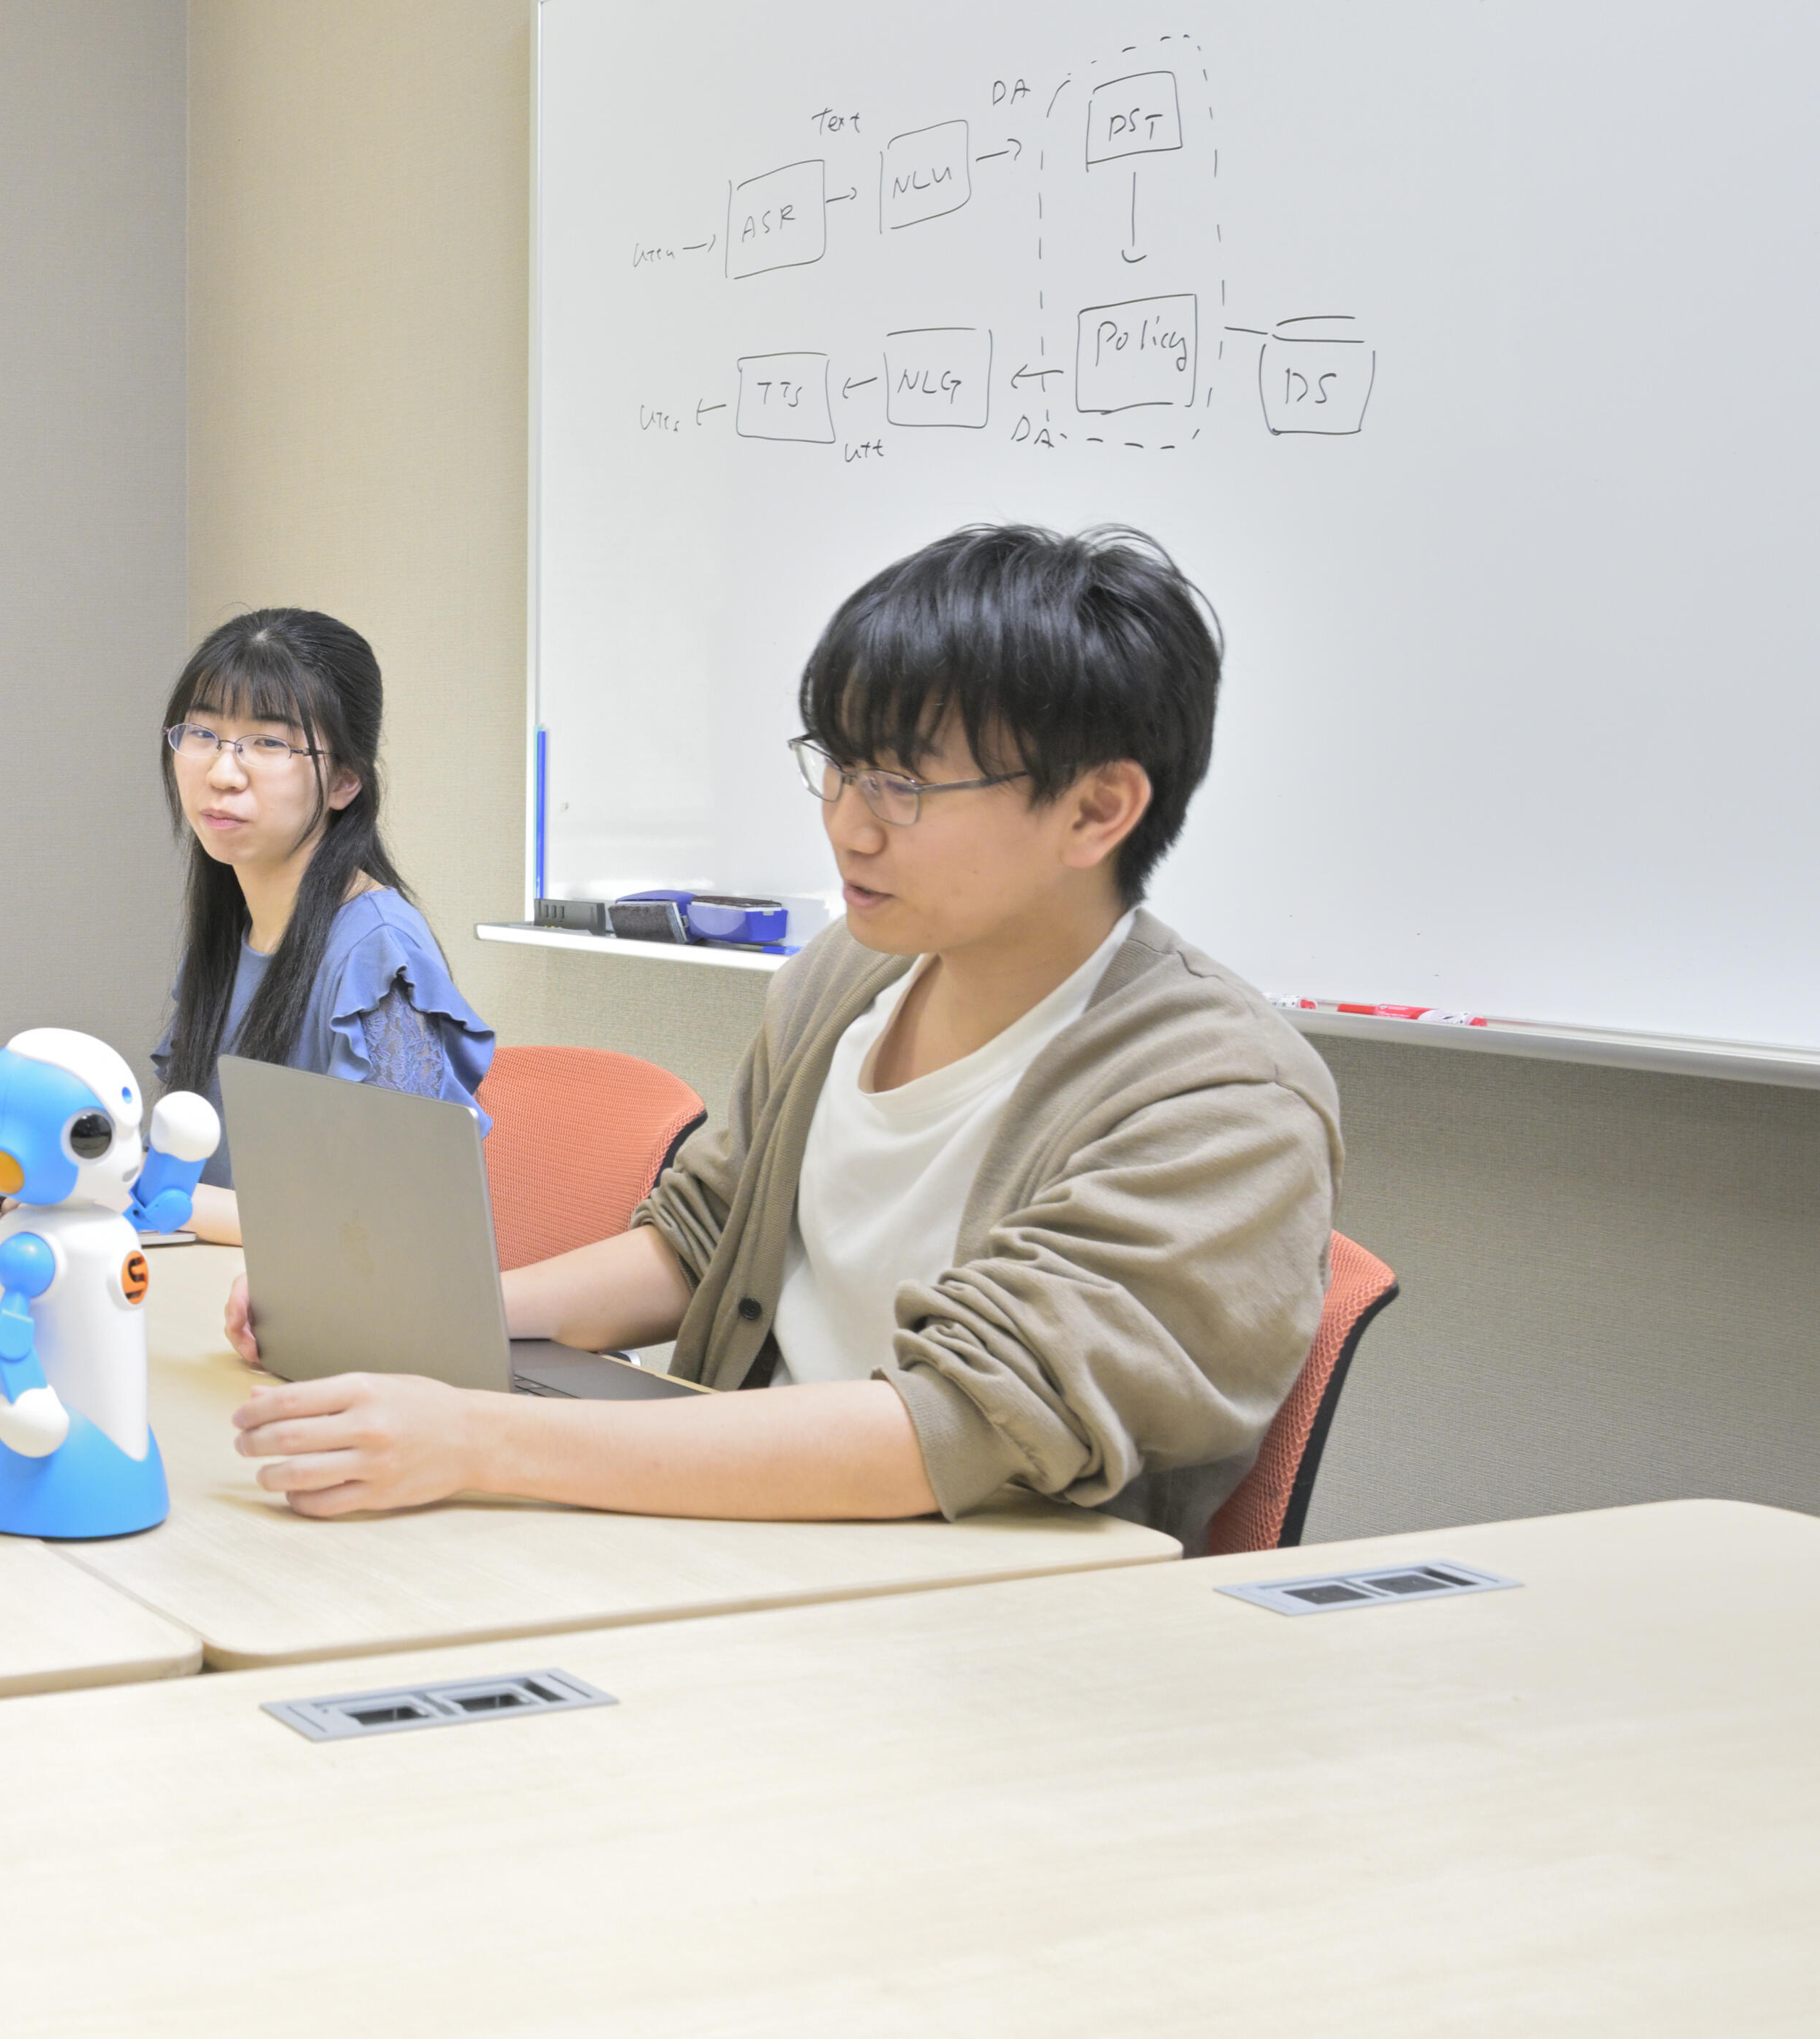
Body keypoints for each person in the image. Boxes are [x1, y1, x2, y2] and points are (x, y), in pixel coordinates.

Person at [227, 524, 1334, 1551]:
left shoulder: (1222, 1099)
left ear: (1097, 811)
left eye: (903, 783)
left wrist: (472, 1436)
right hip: (742, 1529)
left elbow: (948, 1427)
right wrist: (422, 1320)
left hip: (967, 1603)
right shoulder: (846, 976)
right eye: (840, 765)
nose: (847, 822)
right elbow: (700, 1241)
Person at [149, 608, 492, 1249]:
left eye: (269, 743)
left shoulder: (377, 952)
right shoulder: (231, 932)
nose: (223, 772)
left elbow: (390, 1222)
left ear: (344, 781)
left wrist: (153, 1201)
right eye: (202, 733)